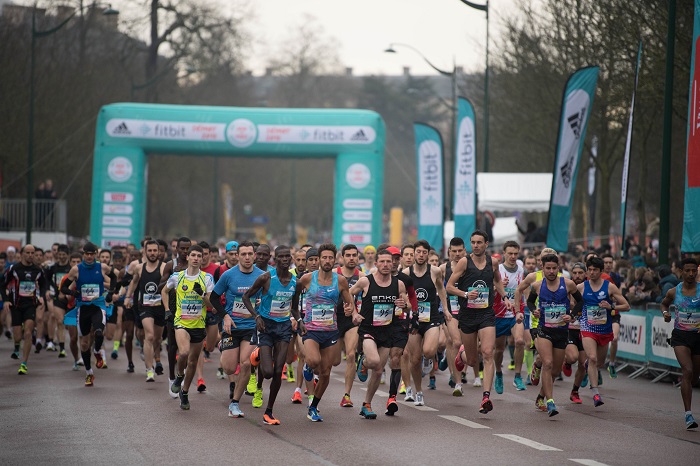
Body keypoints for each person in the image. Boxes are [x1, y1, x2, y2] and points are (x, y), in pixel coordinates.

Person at [446, 230, 513, 414]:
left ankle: (485, 397)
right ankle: (461, 357)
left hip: (486, 314)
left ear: (486, 244)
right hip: (467, 315)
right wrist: (465, 294)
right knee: (473, 359)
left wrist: (505, 296)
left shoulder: (493, 262)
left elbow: (498, 281)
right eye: (473, 242)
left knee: (488, 352)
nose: (475, 245)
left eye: (479, 242)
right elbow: (449, 287)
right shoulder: (464, 262)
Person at [517, 254, 583, 416]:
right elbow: (531, 302)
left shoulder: (568, 285)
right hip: (544, 331)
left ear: (558, 268)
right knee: (547, 362)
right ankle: (551, 402)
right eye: (548, 268)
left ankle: (540, 396)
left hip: (561, 332)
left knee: (554, 371)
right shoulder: (537, 286)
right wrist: (534, 311)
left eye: (554, 268)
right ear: (543, 269)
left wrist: (572, 315)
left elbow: (580, 302)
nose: (551, 271)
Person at [242, 245, 302, 425]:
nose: (285, 259)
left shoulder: (295, 283)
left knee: (278, 371)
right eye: (281, 257)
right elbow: (246, 297)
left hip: (283, 328)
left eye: (287, 257)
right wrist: (257, 316)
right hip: (266, 328)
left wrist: (300, 321)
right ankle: (257, 358)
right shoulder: (266, 278)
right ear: (274, 260)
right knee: (267, 372)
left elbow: (294, 307)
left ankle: (269, 411)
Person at [293, 243, 354, 421]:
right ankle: (307, 366)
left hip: (331, 331)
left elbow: (348, 301)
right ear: (319, 259)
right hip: (311, 329)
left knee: (326, 372)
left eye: (330, 258)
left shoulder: (340, 280)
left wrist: (350, 310)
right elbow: (293, 298)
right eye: (324, 258)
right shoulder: (307, 278)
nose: (327, 261)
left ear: (335, 260)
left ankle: (313, 407)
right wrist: (297, 318)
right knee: (313, 360)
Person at [349, 248, 409, 419]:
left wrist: (402, 304)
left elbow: (406, 304)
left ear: (393, 264)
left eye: (388, 261)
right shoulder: (365, 281)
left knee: (378, 370)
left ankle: (366, 404)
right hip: (368, 329)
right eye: (382, 261)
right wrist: (354, 313)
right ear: (376, 264)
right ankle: (364, 362)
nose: (385, 264)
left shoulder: (398, 284)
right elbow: (349, 294)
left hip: (387, 330)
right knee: (374, 361)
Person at [209, 240, 263, 418]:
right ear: (237, 256)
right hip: (232, 326)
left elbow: (270, 297)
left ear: (254, 256)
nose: (247, 257)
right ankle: (223, 347)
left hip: (251, 327)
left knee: (246, 363)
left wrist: (262, 305)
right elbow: (214, 298)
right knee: (229, 369)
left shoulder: (263, 276)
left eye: (250, 254)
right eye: (243, 254)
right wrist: (224, 315)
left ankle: (235, 403)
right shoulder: (228, 275)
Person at [162, 244, 214, 410]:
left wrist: (202, 295)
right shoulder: (178, 276)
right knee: (183, 352)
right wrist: (167, 310)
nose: (196, 258)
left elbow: (211, 304)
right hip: (181, 322)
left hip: (198, 324)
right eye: (193, 255)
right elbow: (164, 291)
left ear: (202, 259)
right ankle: (179, 376)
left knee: (192, 362)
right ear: (188, 257)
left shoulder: (207, 278)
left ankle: (184, 392)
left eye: (199, 256)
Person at [60, 242, 118, 386]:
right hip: (83, 308)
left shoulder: (102, 267)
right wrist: (74, 293)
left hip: (98, 306)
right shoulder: (76, 270)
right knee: (84, 344)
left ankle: (97, 351)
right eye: (87, 254)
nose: (90, 256)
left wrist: (110, 293)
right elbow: (63, 288)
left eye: (92, 254)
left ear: (95, 255)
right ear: (83, 254)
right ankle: (89, 373)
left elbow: (115, 278)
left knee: (99, 332)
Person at [577, 256, 630, 407]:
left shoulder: (609, 287)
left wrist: (611, 307)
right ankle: (595, 393)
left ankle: (589, 366)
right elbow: (571, 302)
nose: (592, 272)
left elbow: (626, 306)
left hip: (604, 329)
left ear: (601, 271)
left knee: (599, 362)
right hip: (587, 327)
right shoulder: (581, 287)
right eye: (589, 270)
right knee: (593, 358)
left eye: (595, 270)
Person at [403, 240, 449, 406]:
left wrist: (446, 309)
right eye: (418, 252)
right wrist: (407, 307)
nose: (421, 255)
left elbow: (442, 290)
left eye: (424, 252)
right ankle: (419, 392)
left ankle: (430, 359)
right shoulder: (406, 273)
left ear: (428, 254)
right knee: (414, 360)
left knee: (429, 351)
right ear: (414, 253)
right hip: (414, 320)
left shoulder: (435, 271)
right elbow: (403, 295)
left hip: (431, 319)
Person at [661, 257, 700, 430]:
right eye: (688, 270)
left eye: (694, 270)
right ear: (681, 272)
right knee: (688, 370)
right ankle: (688, 414)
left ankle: (686, 388)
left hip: (698, 337)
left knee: (694, 377)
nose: (691, 274)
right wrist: (665, 313)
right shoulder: (673, 292)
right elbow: (664, 303)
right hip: (680, 337)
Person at [1, 244, 49, 374]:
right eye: (27, 253)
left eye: (32, 253)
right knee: (17, 336)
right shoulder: (13, 269)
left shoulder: (38, 270)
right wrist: (5, 299)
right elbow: (2, 285)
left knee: (28, 332)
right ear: (22, 254)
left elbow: (44, 285)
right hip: (16, 305)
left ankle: (24, 363)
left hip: (30, 305)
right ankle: (17, 346)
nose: (30, 255)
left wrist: (42, 297)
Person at [125, 240, 167, 382]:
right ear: (145, 251)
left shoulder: (163, 268)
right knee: (149, 336)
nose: (153, 253)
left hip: (160, 307)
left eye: (155, 251)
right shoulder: (139, 268)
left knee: (157, 338)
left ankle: (155, 357)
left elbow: (169, 286)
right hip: (145, 306)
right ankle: (149, 369)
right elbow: (134, 282)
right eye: (150, 251)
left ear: (159, 252)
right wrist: (127, 297)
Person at [493, 241, 528, 393]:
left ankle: (518, 377)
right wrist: (498, 287)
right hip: (498, 314)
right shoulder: (497, 270)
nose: (513, 256)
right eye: (510, 253)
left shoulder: (521, 270)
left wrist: (524, 309)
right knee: (499, 349)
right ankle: (499, 374)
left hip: (515, 312)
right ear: (504, 254)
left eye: (515, 253)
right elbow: (489, 292)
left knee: (520, 341)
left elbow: (522, 292)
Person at [159, 237, 191, 397]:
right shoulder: (171, 265)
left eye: (188, 249)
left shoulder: (193, 264)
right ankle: (172, 377)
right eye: (182, 249)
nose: (185, 252)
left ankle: (182, 372)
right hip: (173, 310)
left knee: (188, 347)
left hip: (191, 312)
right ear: (176, 249)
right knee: (173, 346)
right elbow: (160, 287)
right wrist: (174, 276)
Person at [336, 244, 364, 408]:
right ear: (342, 258)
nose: (352, 258)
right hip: (332, 319)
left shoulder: (363, 277)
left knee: (351, 355)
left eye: (355, 255)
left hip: (351, 321)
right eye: (348, 255)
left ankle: (347, 395)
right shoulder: (333, 274)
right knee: (333, 361)